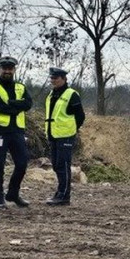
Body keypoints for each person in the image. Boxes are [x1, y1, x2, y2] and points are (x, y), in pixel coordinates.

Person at [0, 56, 32, 208]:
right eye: (4, 68)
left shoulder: (21, 87)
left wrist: (11, 104)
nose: (7, 71)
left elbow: (28, 104)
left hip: (17, 131)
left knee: (22, 163)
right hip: (0, 132)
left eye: (10, 68)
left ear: (14, 69)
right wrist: (16, 107)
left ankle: (13, 193)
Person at [44, 67, 84, 206]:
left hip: (66, 135)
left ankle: (64, 195)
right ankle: (60, 192)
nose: (53, 80)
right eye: (52, 78)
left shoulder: (71, 94)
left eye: (56, 78)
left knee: (63, 165)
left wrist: (71, 129)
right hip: (54, 134)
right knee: (56, 165)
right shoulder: (51, 94)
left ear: (64, 79)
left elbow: (80, 116)